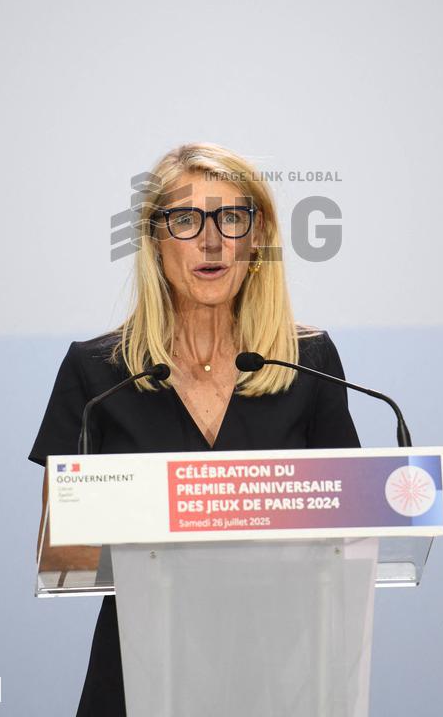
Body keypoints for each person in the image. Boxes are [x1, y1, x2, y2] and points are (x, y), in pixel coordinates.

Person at [29, 142, 360, 716]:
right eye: (185, 220)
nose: (212, 241)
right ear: (155, 243)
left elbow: (350, 534)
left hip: (280, 672)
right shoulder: (97, 372)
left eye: (232, 218)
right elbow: (65, 554)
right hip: (137, 671)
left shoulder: (307, 363)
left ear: (256, 241)